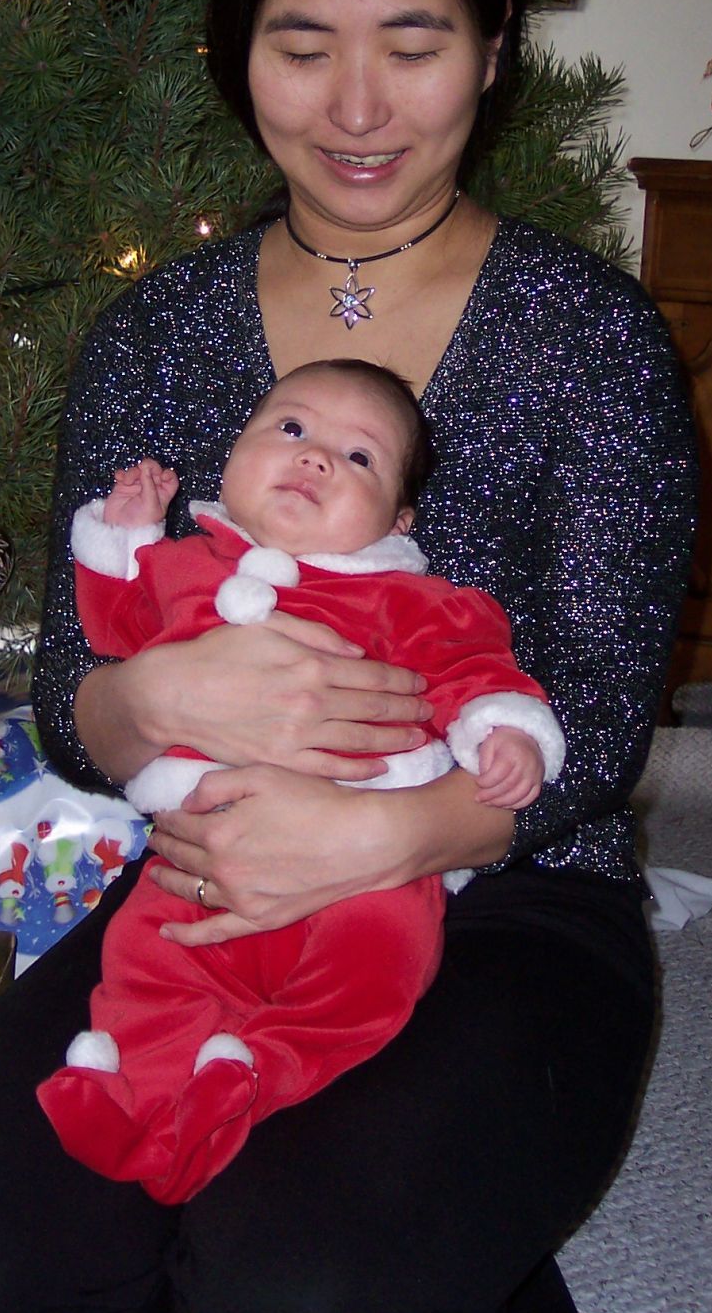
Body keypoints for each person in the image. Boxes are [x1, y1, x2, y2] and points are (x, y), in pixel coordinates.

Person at [0, 0, 698, 1313]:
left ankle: (352, 1244)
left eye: (413, 45)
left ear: (493, 45)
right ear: (237, 47)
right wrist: (154, 690)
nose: (357, 108)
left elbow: (595, 725)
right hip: (208, 891)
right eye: (302, 46)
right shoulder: (157, 332)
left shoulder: (588, 338)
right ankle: (259, 1213)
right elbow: (70, 701)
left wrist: (382, 830)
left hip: (511, 894)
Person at [37, 357, 563, 1203]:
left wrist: (505, 731)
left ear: (396, 518)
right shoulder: (186, 566)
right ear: (231, 459)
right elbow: (113, 630)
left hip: (365, 875)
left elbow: (473, 669)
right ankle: (137, 1099)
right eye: (289, 429)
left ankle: (260, 1072)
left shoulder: (410, 598)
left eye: (358, 457)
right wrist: (122, 540)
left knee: (373, 972)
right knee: (146, 959)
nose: (315, 456)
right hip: (198, 855)